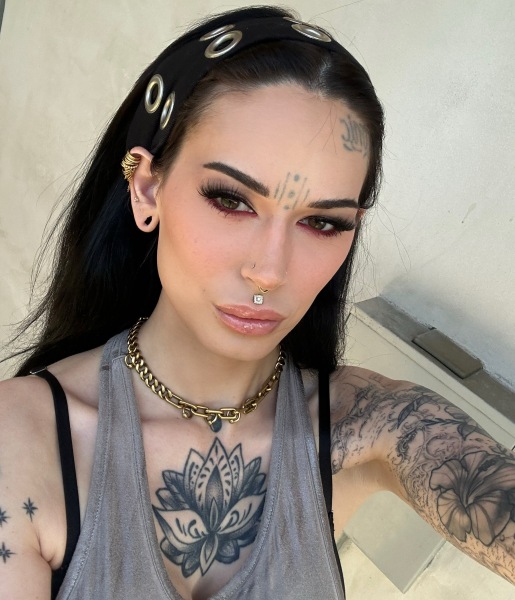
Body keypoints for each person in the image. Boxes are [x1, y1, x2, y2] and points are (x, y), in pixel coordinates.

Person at [0, 5, 513, 599]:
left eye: (322, 222)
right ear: (147, 188)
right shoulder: (22, 443)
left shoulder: (369, 425)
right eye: (231, 200)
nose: (269, 271)